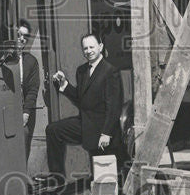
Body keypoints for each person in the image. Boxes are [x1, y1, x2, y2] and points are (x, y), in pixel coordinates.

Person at [41, 32, 122, 186]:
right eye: (85, 48)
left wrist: (106, 133)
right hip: (85, 123)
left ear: (100, 47)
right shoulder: (81, 71)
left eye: (92, 47)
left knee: (105, 179)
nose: (88, 51)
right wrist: (64, 84)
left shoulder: (110, 71)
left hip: (101, 128)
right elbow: (81, 100)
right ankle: (57, 178)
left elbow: (114, 107)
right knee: (53, 130)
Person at [12, 19, 41, 158]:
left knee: (24, 138)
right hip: (4, 110)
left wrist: (26, 112)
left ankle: (21, 175)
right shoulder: (1, 59)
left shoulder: (31, 62)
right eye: (18, 35)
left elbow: (33, 89)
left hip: (22, 110)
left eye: (25, 37)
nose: (21, 39)